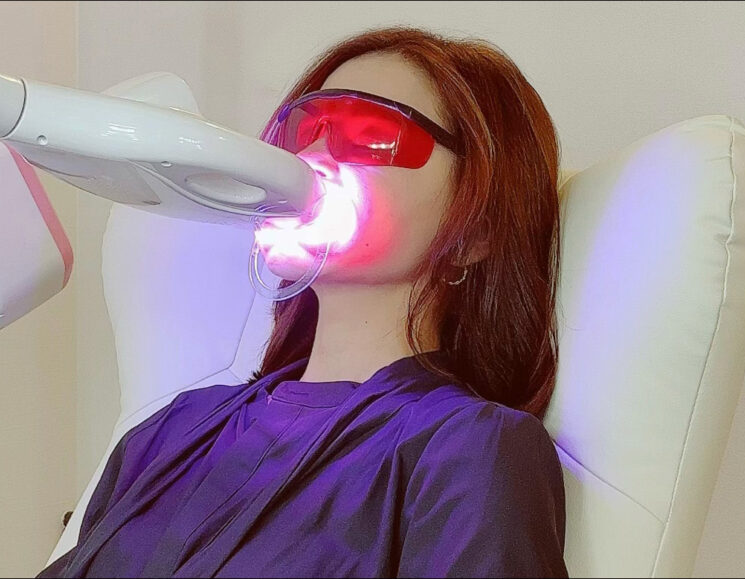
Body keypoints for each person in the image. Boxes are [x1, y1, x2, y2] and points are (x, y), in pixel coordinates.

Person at [39, 25, 567, 578]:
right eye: (300, 134)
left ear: (477, 228)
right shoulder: (170, 431)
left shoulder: (470, 448)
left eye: (369, 135)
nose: (307, 160)